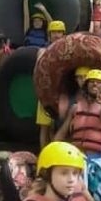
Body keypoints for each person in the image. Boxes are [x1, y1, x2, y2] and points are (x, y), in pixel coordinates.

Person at [56, 67, 101, 201]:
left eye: (99, 83)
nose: (95, 85)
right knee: (73, 199)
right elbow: (62, 133)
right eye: (92, 82)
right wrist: (51, 148)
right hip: (76, 158)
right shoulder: (75, 108)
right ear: (86, 85)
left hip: (95, 160)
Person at [34, 18, 67, 149]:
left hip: (61, 93)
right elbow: (39, 69)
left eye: (59, 32)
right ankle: (43, 155)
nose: (57, 35)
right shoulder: (43, 51)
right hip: (46, 93)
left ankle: (55, 155)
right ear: (49, 35)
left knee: (58, 126)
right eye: (54, 32)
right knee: (45, 127)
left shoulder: (67, 51)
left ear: (64, 34)